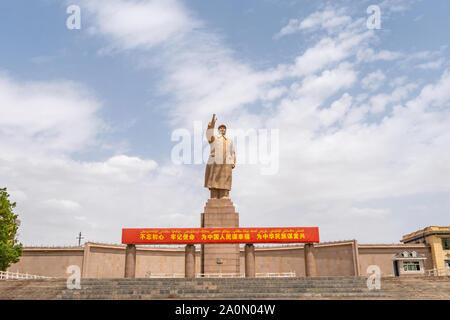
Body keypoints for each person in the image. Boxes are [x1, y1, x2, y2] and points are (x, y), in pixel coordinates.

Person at [204, 114, 236, 199]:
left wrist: (233, 162)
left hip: (227, 161)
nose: (222, 129)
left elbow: (233, 152)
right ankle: (214, 195)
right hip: (216, 160)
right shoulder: (215, 138)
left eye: (224, 128)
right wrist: (211, 125)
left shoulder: (230, 140)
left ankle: (224, 195)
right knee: (214, 176)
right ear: (218, 130)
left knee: (225, 178)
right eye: (221, 128)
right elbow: (209, 135)